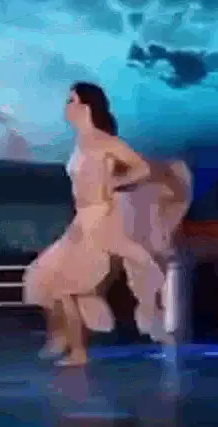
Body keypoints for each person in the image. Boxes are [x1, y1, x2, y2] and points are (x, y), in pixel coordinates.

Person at [23, 82, 192, 366]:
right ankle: (67, 341)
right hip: (83, 220)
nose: (66, 106)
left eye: (71, 100)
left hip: (99, 220)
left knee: (63, 285)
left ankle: (75, 348)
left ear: (86, 106)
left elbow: (142, 168)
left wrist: (113, 182)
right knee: (45, 277)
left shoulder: (105, 142)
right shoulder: (82, 142)